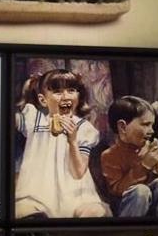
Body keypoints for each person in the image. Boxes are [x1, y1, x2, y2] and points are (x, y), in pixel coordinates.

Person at [15, 68, 109, 219]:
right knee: (22, 211)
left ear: (78, 96)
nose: (65, 97)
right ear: (43, 100)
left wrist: (72, 141)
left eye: (71, 90)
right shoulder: (35, 121)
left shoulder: (83, 128)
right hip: (37, 194)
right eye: (57, 92)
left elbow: (79, 172)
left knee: (93, 212)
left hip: (76, 196)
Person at [101, 96, 158, 217]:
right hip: (127, 209)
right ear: (122, 127)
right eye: (146, 125)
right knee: (141, 191)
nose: (151, 131)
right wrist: (144, 165)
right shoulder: (109, 155)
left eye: (152, 125)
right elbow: (117, 190)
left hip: (150, 206)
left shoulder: (150, 146)